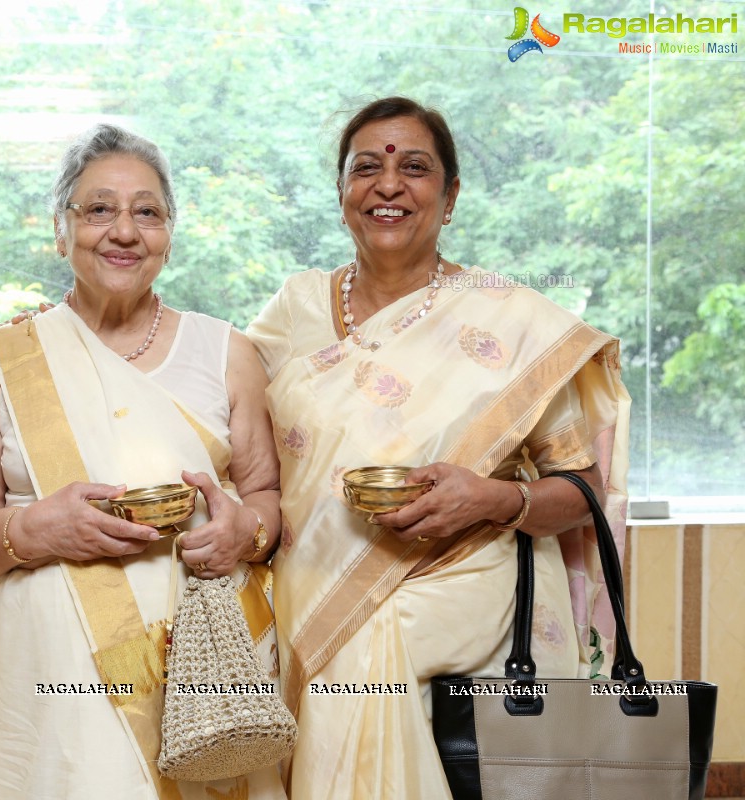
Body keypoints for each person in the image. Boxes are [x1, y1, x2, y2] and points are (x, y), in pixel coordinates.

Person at [246, 97, 630, 798]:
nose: (388, 184)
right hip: (314, 582)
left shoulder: (508, 317)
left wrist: (493, 498)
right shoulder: (292, 308)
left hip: (465, 572)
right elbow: (227, 432)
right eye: (366, 167)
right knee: (339, 664)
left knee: (363, 657)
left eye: (415, 167)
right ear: (342, 197)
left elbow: (583, 490)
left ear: (449, 198)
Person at [0, 123, 287, 799]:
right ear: (61, 229)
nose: (124, 231)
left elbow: (268, 497)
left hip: (201, 671)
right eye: (98, 209)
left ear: (169, 232)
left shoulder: (226, 352)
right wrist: (34, 530)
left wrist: (245, 532)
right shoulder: (7, 358)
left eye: (147, 212)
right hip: (52, 674)